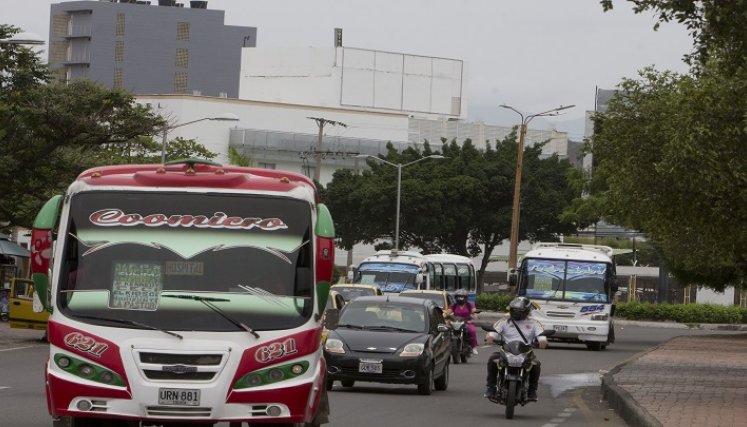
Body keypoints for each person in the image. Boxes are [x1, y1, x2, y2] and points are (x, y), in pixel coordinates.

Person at [484, 296, 547, 401]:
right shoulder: (504, 321)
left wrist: (542, 341)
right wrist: (490, 337)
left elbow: (541, 335)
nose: (517, 313)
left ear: (527, 311)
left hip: (526, 352)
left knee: (536, 365)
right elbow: (493, 332)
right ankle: (491, 388)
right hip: (506, 350)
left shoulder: (534, 323)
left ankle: (532, 390)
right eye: (515, 310)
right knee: (492, 360)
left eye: (520, 311)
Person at [448, 289, 479, 355]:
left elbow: (474, 312)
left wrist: (474, 315)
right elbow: (448, 312)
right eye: (458, 297)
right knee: (446, 330)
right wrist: (445, 315)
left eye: (462, 297)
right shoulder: (453, 305)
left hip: (467, 322)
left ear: (465, 297)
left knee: (472, 330)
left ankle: (474, 347)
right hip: (456, 322)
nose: (460, 298)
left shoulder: (470, 305)